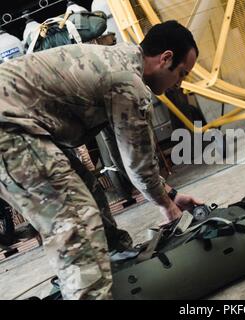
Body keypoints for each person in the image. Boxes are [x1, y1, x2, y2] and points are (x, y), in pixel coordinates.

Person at [0, 20, 202, 299]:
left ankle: (115, 258)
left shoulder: (115, 63)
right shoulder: (128, 82)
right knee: (77, 222)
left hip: (20, 124)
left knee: (88, 191)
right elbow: (139, 165)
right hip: (8, 127)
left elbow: (128, 155)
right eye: (181, 73)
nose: (179, 83)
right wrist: (166, 206)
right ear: (165, 58)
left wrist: (170, 193)